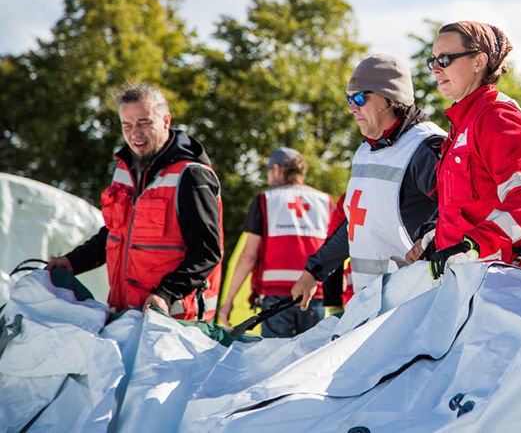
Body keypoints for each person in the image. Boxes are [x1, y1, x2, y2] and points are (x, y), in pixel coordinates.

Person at [49, 84, 224, 320]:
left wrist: (167, 293)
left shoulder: (191, 176)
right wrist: (72, 261)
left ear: (165, 121)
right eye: (127, 125)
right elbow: (114, 234)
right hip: (125, 314)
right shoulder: (125, 171)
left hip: (176, 321)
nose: (135, 133)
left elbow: (207, 251)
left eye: (144, 122)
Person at [289, 54, 445, 313]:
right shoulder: (365, 151)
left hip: (414, 305)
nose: (352, 107)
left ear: (390, 99)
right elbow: (356, 224)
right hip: (367, 303)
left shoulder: (429, 148)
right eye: (349, 99)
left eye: (360, 98)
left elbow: (460, 212)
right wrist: (314, 271)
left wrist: (431, 238)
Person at [423, 21, 521, 271]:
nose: (435, 69)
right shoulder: (464, 122)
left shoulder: (495, 115)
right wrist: (437, 242)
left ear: (479, 62)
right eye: (432, 60)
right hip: (473, 274)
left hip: (507, 277)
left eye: (444, 59)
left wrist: (472, 246)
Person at [215, 148, 331, 336]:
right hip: (313, 296)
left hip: (277, 297)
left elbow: (248, 256)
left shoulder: (265, 200)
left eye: (268, 174)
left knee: (274, 360)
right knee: (310, 360)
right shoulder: (325, 201)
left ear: (276, 170)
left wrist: (229, 300)